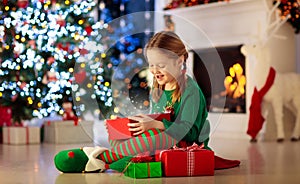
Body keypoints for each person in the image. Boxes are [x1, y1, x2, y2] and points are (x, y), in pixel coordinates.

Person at [54, 31, 238, 173]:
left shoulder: (190, 91)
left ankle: (101, 157)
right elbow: (155, 118)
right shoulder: (158, 88)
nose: (154, 70)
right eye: (151, 64)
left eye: (161, 65)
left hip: (186, 145)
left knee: (150, 138)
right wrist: (128, 125)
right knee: (119, 134)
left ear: (179, 61)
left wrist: (155, 124)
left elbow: (190, 133)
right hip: (161, 140)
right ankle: (110, 158)